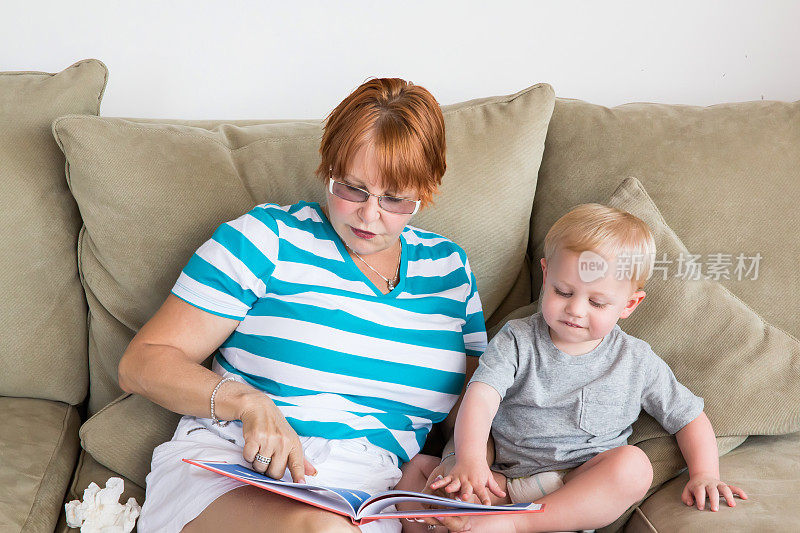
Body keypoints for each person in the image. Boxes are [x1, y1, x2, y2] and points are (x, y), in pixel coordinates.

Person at [119, 77, 488, 533]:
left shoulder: (450, 270)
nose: (369, 215)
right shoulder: (267, 238)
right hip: (236, 470)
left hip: (373, 493)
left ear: (426, 191)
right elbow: (141, 364)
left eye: (394, 199)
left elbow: (475, 409)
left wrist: (458, 475)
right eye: (352, 189)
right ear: (327, 168)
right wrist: (247, 402)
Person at [410, 204, 749, 533]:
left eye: (596, 302)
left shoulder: (636, 361)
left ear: (629, 304)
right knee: (419, 470)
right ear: (546, 276)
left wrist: (704, 473)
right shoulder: (518, 339)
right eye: (563, 291)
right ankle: (465, 519)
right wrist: (471, 460)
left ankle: (515, 523)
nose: (575, 309)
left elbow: (688, 416)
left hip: (570, 490)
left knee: (633, 466)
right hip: (498, 480)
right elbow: (481, 397)